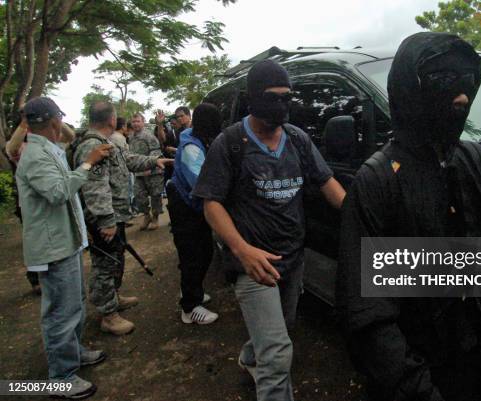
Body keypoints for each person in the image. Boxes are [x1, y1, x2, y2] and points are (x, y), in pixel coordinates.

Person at [336, 32, 481, 401]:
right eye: (444, 82)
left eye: (468, 83)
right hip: (431, 375)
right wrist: (418, 391)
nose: (461, 97)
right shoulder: (377, 182)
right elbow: (369, 315)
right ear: (410, 89)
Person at [193, 60, 346, 401]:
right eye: (273, 97)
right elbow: (211, 204)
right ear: (253, 98)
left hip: (292, 257)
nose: (282, 105)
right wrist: (241, 250)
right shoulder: (230, 143)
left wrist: (361, 215)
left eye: (287, 98)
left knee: (281, 331)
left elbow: (327, 183)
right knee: (277, 354)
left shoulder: (297, 139)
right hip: (254, 263)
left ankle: (250, 357)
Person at [15, 97, 111, 399]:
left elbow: (67, 141)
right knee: (60, 312)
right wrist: (88, 162)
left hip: (66, 241)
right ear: (55, 121)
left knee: (75, 305)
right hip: (53, 248)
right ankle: (61, 376)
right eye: (59, 120)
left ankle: (74, 353)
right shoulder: (34, 155)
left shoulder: (46, 148)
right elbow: (58, 192)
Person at [74, 102, 173, 335]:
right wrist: (105, 219)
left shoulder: (105, 143)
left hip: (115, 215)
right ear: (112, 119)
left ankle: (114, 297)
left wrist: (152, 161)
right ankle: (108, 314)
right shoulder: (91, 145)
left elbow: (127, 160)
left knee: (116, 258)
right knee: (105, 263)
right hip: (104, 218)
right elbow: (94, 187)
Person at [6, 111, 76, 295]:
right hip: (32, 205)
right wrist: (25, 121)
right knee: (38, 238)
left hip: (54, 200)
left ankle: (45, 276)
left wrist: (57, 117)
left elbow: (70, 137)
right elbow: (11, 148)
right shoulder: (24, 150)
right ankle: (35, 278)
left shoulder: (50, 147)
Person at [167, 103, 221, 325]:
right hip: (185, 206)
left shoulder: (198, 137)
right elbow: (201, 184)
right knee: (193, 254)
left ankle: (191, 291)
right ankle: (189, 308)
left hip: (191, 205)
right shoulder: (192, 148)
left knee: (202, 251)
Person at [129, 113, 165, 230]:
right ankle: (146, 216)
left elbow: (156, 151)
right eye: (133, 122)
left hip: (153, 171)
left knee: (155, 195)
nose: (135, 124)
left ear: (143, 122)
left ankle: (155, 218)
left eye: (138, 121)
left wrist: (149, 167)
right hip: (139, 172)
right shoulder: (131, 137)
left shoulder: (149, 136)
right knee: (139, 196)